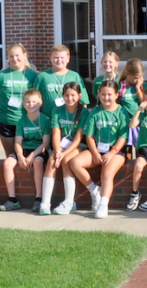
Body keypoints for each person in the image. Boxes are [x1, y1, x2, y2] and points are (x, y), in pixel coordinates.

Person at [77, 82, 130, 219]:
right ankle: (94, 190)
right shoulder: (95, 112)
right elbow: (89, 135)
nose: (106, 97)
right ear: (99, 95)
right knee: (75, 163)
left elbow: (123, 137)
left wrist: (112, 152)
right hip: (97, 149)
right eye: (103, 95)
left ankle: (103, 205)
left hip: (116, 151)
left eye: (109, 94)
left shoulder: (122, 112)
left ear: (116, 95)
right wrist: (94, 153)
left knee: (106, 172)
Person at [1, 89, 50, 212]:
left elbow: (45, 143)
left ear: (40, 103)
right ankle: (12, 200)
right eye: (27, 102)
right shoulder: (21, 121)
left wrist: (32, 156)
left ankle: (39, 198)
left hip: (38, 150)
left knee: (38, 162)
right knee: (7, 163)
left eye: (34, 101)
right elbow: (17, 142)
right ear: (23, 104)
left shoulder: (45, 120)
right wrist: (20, 155)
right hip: (24, 149)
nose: (31, 104)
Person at [43, 82, 87, 215]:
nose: (70, 98)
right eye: (66, 95)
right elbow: (56, 135)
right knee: (52, 159)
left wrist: (63, 154)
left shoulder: (84, 112)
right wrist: (57, 152)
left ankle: (69, 201)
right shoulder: (56, 111)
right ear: (62, 96)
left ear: (79, 96)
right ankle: (45, 202)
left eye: (73, 95)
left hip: (78, 146)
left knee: (66, 160)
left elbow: (78, 139)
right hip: (62, 145)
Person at [0, 43, 39, 158]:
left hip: (27, 121)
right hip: (6, 122)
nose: (14, 59)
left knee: (28, 156)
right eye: (11, 56)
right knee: (11, 156)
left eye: (17, 55)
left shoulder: (33, 75)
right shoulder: (0, 76)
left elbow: (37, 97)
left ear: (24, 55)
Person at [35, 45, 87, 117]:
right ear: (50, 58)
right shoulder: (42, 76)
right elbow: (34, 98)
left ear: (68, 59)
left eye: (62, 57)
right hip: (47, 119)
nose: (59, 60)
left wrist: (80, 118)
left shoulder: (75, 76)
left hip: (69, 120)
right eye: (56, 57)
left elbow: (83, 101)